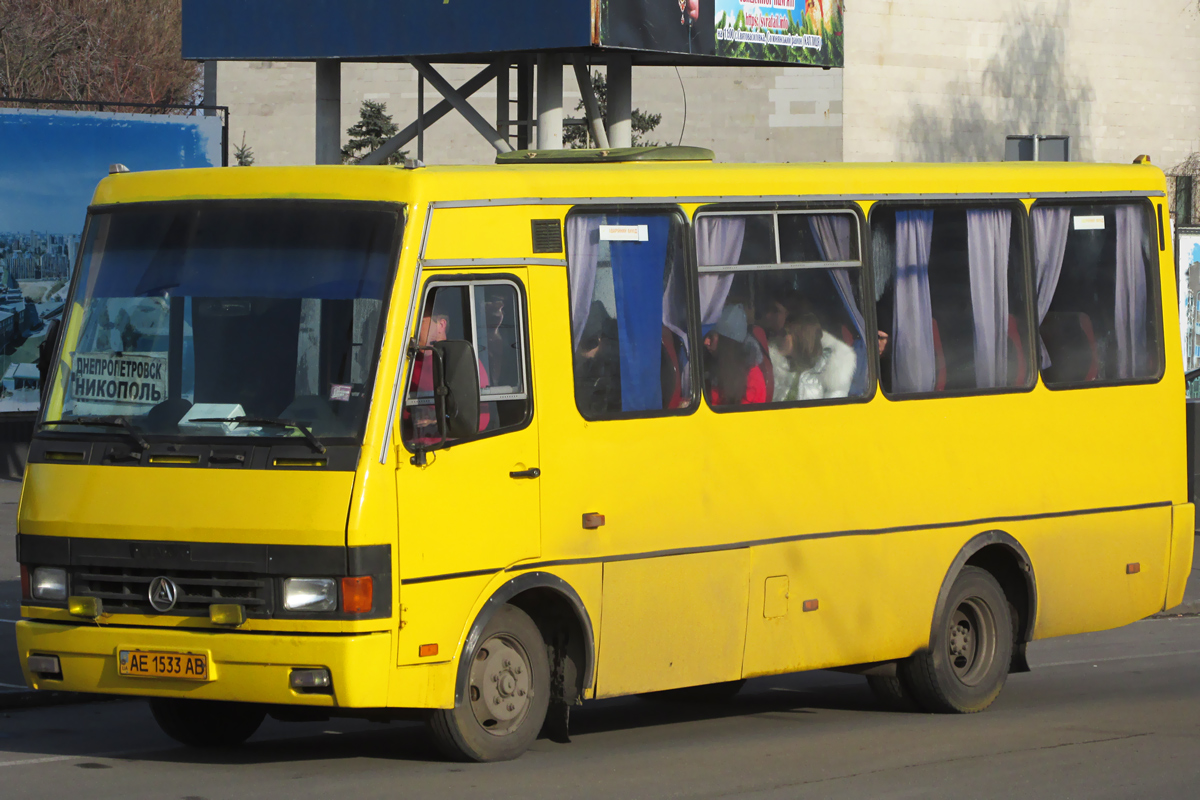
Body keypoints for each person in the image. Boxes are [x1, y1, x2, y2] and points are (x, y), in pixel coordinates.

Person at [771, 312, 857, 401]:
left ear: (799, 337)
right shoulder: (778, 363)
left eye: (785, 333)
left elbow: (833, 410)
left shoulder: (832, 369)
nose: (780, 337)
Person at [704, 304, 766, 406]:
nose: (706, 342)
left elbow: (740, 420)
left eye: (711, 337)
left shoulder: (752, 381)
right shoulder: (715, 365)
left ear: (726, 343)